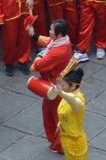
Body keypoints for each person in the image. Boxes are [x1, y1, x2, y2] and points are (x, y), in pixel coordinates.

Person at [33, 18, 77, 151]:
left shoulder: (57, 52)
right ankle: (57, 140)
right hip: (60, 82)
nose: (49, 31)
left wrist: (39, 56)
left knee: (54, 113)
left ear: (58, 34)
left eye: (51, 30)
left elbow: (40, 65)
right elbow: (48, 41)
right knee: (50, 111)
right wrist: (34, 35)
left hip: (55, 86)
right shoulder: (64, 41)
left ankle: (60, 144)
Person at [55, 67, 89, 160]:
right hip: (66, 138)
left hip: (74, 143)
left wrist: (60, 92)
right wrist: (60, 123)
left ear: (73, 86)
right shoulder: (67, 94)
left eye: (64, 84)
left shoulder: (78, 101)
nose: (61, 86)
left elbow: (73, 102)